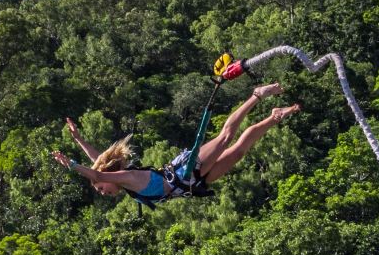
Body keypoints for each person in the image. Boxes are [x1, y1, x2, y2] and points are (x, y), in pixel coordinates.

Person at [52, 83, 301, 207]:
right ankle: (273, 116)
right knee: (237, 152)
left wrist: (72, 165)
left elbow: (96, 171)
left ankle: (256, 95)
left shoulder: (125, 177)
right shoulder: (124, 185)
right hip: (193, 183)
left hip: (185, 170)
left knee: (225, 137)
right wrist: (79, 140)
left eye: (100, 188)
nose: (102, 192)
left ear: (107, 177)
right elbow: (98, 160)